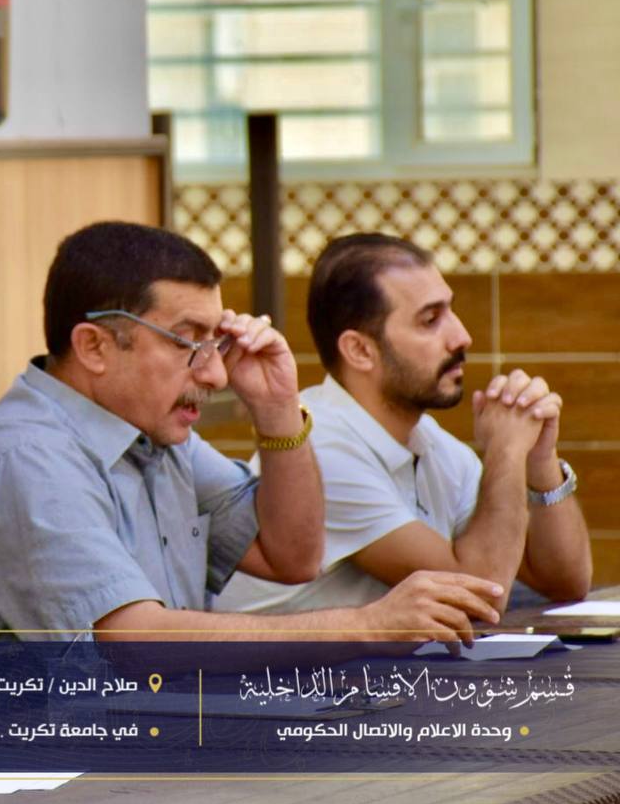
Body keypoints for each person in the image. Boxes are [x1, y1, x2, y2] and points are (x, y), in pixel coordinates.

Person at [0, 221, 505, 644]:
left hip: (138, 741)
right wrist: (365, 626)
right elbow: (133, 639)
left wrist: (277, 411)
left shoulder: (157, 439)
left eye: (216, 342)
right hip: (16, 759)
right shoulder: (27, 461)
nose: (216, 374)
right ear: (94, 347)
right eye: (188, 342)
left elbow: (293, 556)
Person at [218, 233, 591, 615]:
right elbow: (481, 593)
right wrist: (507, 450)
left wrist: (541, 463)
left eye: (450, 311)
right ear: (360, 350)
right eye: (430, 320)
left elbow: (566, 582)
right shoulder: (321, 449)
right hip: (258, 656)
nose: (461, 337)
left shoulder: (430, 443)